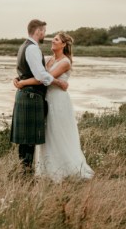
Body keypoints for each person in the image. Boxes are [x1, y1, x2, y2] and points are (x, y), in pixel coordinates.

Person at [14, 32, 94, 182]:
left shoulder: (65, 62)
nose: (53, 41)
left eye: (56, 39)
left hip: (59, 101)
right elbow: (33, 71)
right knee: (47, 133)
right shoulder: (48, 59)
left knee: (58, 133)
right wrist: (19, 77)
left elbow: (44, 79)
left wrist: (24, 83)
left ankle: (65, 169)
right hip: (46, 99)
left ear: (63, 44)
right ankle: (46, 169)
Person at [10, 19, 68, 176]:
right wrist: (58, 82)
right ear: (38, 32)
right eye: (44, 31)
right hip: (31, 95)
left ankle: (25, 173)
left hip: (26, 94)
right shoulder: (33, 49)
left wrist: (20, 80)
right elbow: (41, 76)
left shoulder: (24, 46)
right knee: (29, 140)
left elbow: (25, 71)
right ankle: (26, 175)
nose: (45, 35)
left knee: (26, 140)